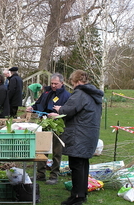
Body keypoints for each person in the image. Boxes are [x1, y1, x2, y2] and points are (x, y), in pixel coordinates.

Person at [50, 70, 103, 205]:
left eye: (72, 83)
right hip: (89, 134)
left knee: (77, 165)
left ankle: (77, 197)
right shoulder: (93, 95)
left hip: (79, 135)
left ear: (76, 81)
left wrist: (58, 111)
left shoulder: (80, 94)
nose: (72, 85)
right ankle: (82, 194)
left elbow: (68, 111)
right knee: (83, 164)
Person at [26, 73, 71, 185]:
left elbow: (68, 111)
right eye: (52, 83)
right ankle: (40, 174)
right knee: (42, 149)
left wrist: (58, 114)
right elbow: (38, 104)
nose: (53, 85)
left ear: (62, 83)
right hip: (44, 123)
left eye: (56, 83)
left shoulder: (66, 96)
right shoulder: (46, 92)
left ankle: (54, 175)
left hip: (58, 125)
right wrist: (32, 108)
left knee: (57, 151)